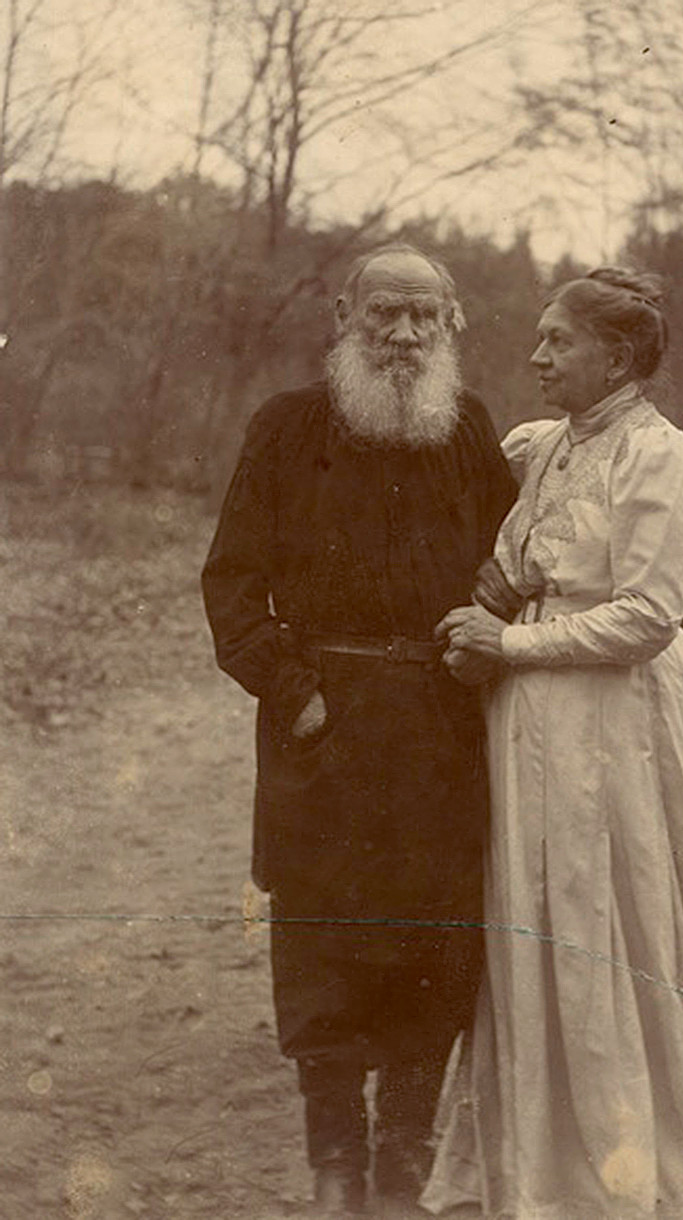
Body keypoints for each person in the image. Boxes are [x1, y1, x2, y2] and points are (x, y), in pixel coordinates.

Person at [424, 269, 683, 1219]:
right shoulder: (545, 447)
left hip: (623, 715)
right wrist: (485, 616)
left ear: (619, 355)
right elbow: (516, 559)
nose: (537, 357)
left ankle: (636, 1152)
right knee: (547, 907)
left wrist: (511, 643)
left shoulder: (662, 457)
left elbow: (647, 615)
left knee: (623, 910)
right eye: (539, 337)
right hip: (531, 714)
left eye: (557, 340)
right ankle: (546, 1149)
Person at [201, 243, 517, 1215]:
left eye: (425, 314)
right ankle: (335, 1165)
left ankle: (404, 1161)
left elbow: (513, 564)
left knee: (437, 944)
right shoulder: (287, 426)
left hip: (438, 727)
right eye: (385, 312)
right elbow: (231, 587)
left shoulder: (467, 428)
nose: (405, 333)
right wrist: (294, 692)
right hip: (321, 727)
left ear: (452, 322)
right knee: (322, 946)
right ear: (344, 314)